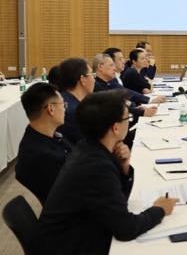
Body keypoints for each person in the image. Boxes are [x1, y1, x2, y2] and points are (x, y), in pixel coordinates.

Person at [38, 90, 178, 254]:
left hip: (75, 233)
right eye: (128, 118)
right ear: (116, 128)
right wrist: (159, 209)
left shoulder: (88, 147)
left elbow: (117, 198)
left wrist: (124, 167)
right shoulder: (96, 166)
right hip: (72, 246)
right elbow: (126, 229)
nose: (129, 121)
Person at [15, 83, 72, 204]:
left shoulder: (42, 135)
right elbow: (73, 193)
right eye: (63, 105)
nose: (65, 109)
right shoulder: (42, 156)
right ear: (51, 109)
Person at [93, 53, 158, 118]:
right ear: (100, 67)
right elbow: (115, 108)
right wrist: (141, 112)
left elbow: (120, 104)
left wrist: (135, 108)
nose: (114, 68)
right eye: (111, 65)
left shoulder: (106, 83)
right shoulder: (97, 86)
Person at [56, 58, 95, 144]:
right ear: (83, 79)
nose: (94, 79)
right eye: (92, 74)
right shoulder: (75, 112)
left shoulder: (62, 99)